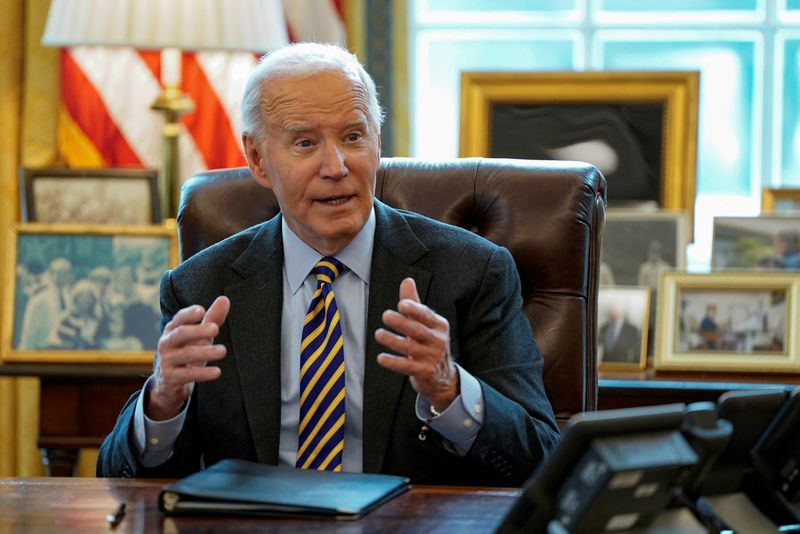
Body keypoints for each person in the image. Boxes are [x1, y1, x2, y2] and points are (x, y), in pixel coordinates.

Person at [97, 43, 559, 486]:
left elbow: (542, 460)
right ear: (257, 159)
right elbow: (119, 477)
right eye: (304, 143)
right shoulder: (200, 286)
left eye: (353, 136)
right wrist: (161, 403)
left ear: (378, 142)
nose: (336, 165)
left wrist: (450, 390)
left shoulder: (472, 271)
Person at [17, 258, 73, 350]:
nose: (64, 276)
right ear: (51, 273)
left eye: (67, 273)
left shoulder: (68, 296)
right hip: (41, 348)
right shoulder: (41, 296)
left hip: (61, 348)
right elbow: (30, 329)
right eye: (60, 272)